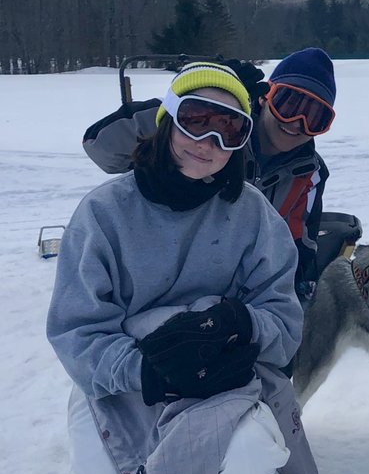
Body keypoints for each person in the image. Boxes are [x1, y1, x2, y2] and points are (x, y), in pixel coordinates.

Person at [47, 62, 334, 474]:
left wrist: (243, 324)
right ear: (167, 121)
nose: (209, 142)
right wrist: (145, 369)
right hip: (121, 390)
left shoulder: (252, 215)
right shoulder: (105, 213)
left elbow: (283, 320)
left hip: (217, 388)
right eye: (196, 120)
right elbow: (76, 331)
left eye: (229, 129)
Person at [83, 48, 343, 301]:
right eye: (288, 105)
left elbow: (297, 246)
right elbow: (101, 148)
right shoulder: (216, 141)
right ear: (265, 98)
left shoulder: (309, 173)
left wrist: (285, 300)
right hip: (162, 280)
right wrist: (199, 107)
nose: (297, 123)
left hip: (237, 295)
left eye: (315, 117)